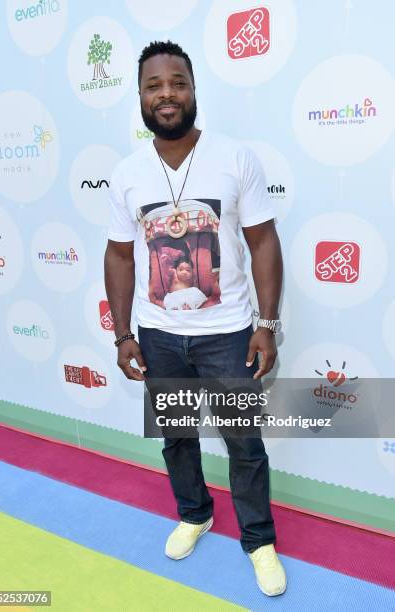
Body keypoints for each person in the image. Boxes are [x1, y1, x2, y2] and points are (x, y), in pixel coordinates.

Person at [104, 40, 286, 598]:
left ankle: (258, 540)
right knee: (177, 437)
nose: (166, 94)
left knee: (244, 443)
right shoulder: (128, 172)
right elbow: (118, 254)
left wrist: (267, 324)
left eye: (177, 83)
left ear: (192, 90)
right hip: (159, 336)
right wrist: (124, 334)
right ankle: (195, 513)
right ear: (139, 96)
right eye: (154, 85)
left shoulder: (234, 158)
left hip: (227, 334)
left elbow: (263, 242)